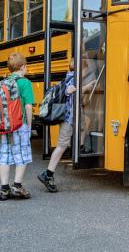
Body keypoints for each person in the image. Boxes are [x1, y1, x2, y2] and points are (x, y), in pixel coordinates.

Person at [37, 57, 94, 192]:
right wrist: (84, 88)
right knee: (61, 145)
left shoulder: (69, 77)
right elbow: (71, 92)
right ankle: (48, 174)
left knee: (84, 125)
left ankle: (80, 147)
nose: (86, 72)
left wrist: (85, 87)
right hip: (68, 119)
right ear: (82, 69)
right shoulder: (73, 79)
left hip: (70, 118)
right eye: (86, 69)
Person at [0, 52, 35, 200]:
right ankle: (17, 186)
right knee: (22, 155)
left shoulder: (4, 82)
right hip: (20, 124)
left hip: (4, 125)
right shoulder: (25, 83)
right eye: (27, 67)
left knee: (5, 155)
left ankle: (4, 189)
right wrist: (29, 125)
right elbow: (28, 106)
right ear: (23, 67)